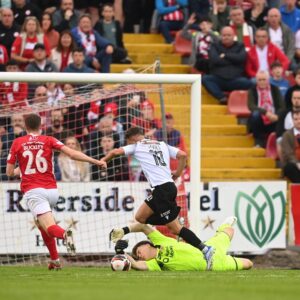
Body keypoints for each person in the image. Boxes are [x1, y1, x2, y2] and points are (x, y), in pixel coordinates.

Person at [99, 126, 215, 269]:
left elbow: (116, 152)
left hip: (162, 190)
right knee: (141, 217)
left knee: (175, 228)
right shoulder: (162, 144)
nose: (128, 144)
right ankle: (173, 217)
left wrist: (104, 160)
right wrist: (178, 173)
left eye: (128, 141)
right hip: (168, 187)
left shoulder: (137, 146)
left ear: (132, 139)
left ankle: (206, 250)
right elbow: (183, 155)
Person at [6, 113, 103, 269]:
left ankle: (65, 235)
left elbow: (9, 172)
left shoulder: (18, 142)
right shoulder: (48, 139)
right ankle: (55, 260)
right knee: (40, 223)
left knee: (50, 227)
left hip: (34, 191)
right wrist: (95, 161)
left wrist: (22, 168)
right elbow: (72, 153)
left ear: (25, 126)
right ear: (41, 126)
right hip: (52, 190)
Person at [111, 217, 253, 271]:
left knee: (229, 230)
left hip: (210, 250)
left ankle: (220, 230)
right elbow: (136, 265)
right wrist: (121, 252)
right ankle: (221, 235)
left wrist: (124, 231)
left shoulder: (161, 240)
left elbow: (142, 226)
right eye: (136, 255)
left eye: (137, 250)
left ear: (148, 244)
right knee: (248, 264)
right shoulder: (156, 264)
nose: (138, 255)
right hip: (214, 265)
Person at [202, 26, 253, 104]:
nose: (226, 37)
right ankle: (222, 98)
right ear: (221, 36)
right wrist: (233, 60)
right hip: (219, 79)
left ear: (233, 36)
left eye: (229, 35)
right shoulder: (214, 46)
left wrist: (225, 55)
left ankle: (243, 103)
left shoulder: (240, 45)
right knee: (205, 79)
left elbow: (241, 58)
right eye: (224, 35)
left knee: (251, 83)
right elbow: (215, 60)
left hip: (236, 80)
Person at [248, 70, 285, 147]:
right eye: (259, 80)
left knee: (284, 115)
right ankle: (259, 141)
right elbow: (251, 106)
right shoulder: (252, 90)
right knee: (255, 114)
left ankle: (278, 143)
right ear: (256, 80)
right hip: (260, 120)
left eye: (264, 79)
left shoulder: (275, 89)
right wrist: (266, 113)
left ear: (268, 80)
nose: (262, 82)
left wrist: (277, 116)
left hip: (274, 119)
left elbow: (281, 105)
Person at [281, 109, 300, 182]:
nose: (298, 121)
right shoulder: (287, 135)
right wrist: (297, 163)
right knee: (289, 167)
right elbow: (288, 154)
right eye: (296, 119)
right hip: (293, 165)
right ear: (292, 120)